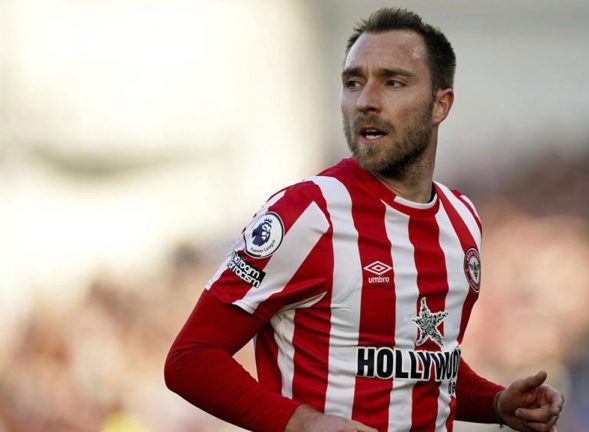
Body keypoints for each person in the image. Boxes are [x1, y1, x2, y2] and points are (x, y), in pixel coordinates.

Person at [165, 7, 564, 432]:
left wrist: (498, 403)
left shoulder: (462, 220)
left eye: (392, 82)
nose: (366, 101)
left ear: (440, 105)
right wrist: (303, 423)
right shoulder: (307, 213)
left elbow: (422, 364)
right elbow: (191, 357)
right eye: (353, 82)